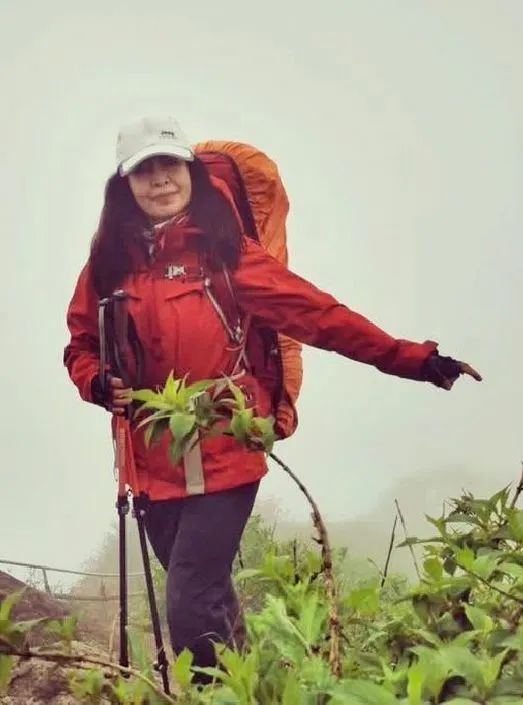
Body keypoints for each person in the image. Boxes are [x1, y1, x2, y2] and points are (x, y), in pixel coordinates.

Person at [62, 116, 481, 677]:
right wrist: (94, 381)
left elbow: (321, 317)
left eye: (171, 165)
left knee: (189, 602)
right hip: (151, 457)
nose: (161, 180)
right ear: (125, 186)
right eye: (145, 171)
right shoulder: (108, 265)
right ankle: (256, 684)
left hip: (227, 450)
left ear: (190, 172)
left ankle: (217, 694)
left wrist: (413, 359)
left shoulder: (227, 254)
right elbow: (81, 345)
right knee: (205, 594)